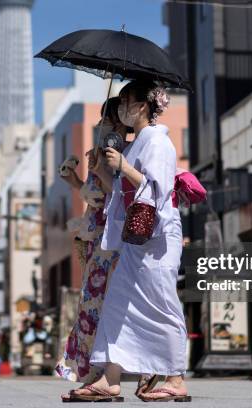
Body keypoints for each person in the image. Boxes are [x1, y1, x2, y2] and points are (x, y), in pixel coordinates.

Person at [67, 81, 191, 402]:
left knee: (161, 304)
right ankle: (110, 378)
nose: (121, 108)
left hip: (158, 239)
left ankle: (175, 377)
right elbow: (119, 192)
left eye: (126, 101)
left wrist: (122, 167)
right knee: (117, 303)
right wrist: (106, 169)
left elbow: (159, 188)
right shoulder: (137, 144)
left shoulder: (158, 143)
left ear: (142, 106)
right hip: (134, 237)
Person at [59, 97, 159, 396]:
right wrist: (76, 180)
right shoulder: (104, 153)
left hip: (111, 240)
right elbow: (95, 195)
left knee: (105, 306)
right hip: (96, 241)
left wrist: (102, 168)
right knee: (92, 305)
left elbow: (116, 194)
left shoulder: (122, 152)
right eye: (100, 120)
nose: (102, 125)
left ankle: (110, 373)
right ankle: (97, 373)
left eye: (108, 119)